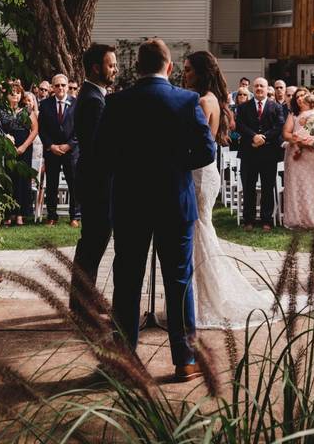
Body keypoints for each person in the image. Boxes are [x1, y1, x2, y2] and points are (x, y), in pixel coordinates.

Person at [96, 39, 216, 381]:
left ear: (137, 68)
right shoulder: (186, 100)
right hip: (173, 200)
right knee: (178, 280)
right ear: (170, 67)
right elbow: (207, 151)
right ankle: (185, 360)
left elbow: (102, 152)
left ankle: (123, 360)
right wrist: (177, 164)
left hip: (130, 201)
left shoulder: (117, 102)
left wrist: (130, 167)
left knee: (127, 280)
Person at [183, 51, 275, 328]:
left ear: (200, 71)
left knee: (199, 230)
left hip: (199, 173)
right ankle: (203, 298)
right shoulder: (216, 100)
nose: (184, 74)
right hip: (207, 173)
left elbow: (195, 143)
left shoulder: (201, 101)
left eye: (188, 69)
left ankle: (204, 302)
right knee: (203, 230)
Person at [69, 43, 118, 316]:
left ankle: (85, 298)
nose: (115, 69)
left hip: (95, 181)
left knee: (94, 241)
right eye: (111, 65)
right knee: (92, 242)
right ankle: (81, 303)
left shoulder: (94, 96)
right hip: (96, 183)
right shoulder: (92, 100)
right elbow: (98, 147)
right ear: (96, 68)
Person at [235, 77, 285, 231]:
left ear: (266, 87)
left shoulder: (275, 107)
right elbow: (239, 125)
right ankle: (248, 220)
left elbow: (279, 126)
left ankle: (266, 220)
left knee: (267, 187)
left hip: (269, 153)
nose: (258, 88)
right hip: (249, 152)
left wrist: (264, 138)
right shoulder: (244, 107)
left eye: (261, 86)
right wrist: (253, 136)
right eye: (256, 86)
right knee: (248, 187)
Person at [38, 74, 80, 226]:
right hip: (53, 151)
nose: (60, 88)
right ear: (52, 88)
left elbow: (81, 129)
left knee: (74, 184)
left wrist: (69, 145)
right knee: (52, 184)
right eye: (57, 85)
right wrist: (51, 146)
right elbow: (42, 129)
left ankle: (75, 217)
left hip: (71, 151)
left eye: (63, 85)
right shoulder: (45, 104)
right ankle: (51, 216)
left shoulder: (77, 104)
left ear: (68, 87)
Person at [282, 89, 314, 229]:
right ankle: (295, 220)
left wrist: (313, 141)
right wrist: (298, 139)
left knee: (312, 188)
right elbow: (286, 134)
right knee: (295, 187)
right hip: (295, 156)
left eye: (303, 96)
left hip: (313, 156)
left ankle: (312, 220)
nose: (300, 98)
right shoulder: (293, 115)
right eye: (297, 96)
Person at [0, 80, 39, 226]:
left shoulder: (27, 110)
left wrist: (23, 146)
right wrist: (6, 141)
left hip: (25, 147)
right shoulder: (2, 110)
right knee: (8, 179)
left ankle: (21, 214)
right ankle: (8, 213)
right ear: (7, 96)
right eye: (12, 93)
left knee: (22, 180)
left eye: (17, 93)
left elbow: (34, 130)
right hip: (7, 147)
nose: (15, 95)